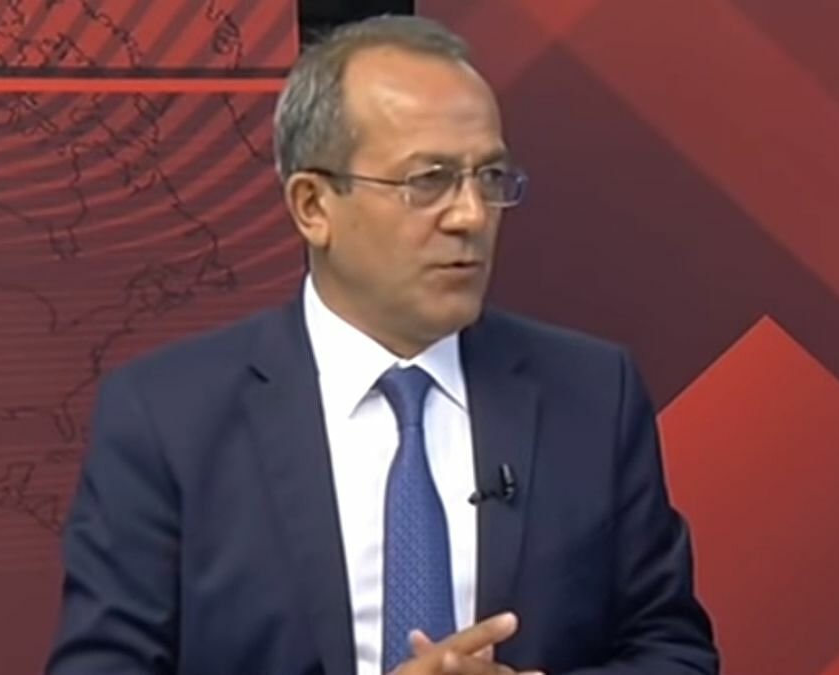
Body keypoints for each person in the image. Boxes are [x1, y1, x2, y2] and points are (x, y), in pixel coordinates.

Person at [45, 14, 718, 675]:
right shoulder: (166, 419)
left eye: (489, 178)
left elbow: (675, 651)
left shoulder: (593, 394)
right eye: (428, 181)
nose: (471, 216)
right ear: (313, 206)